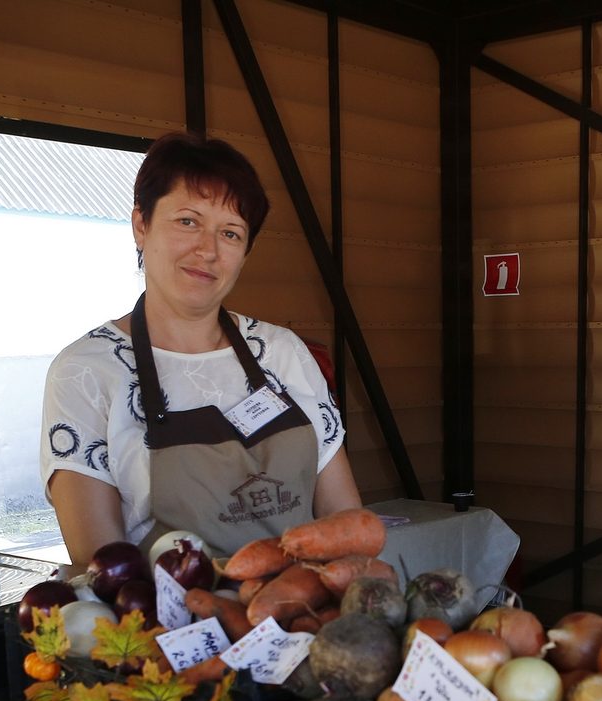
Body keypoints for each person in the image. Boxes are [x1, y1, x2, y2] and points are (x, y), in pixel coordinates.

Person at [40, 131, 361, 565]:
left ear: (245, 252)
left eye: (230, 233)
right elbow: (104, 567)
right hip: (168, 626)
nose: (207, 250)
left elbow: (345, 521)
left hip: (300, 619)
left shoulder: (284, 354)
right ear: (141, 225)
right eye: (187, 221)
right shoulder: (87, 372)